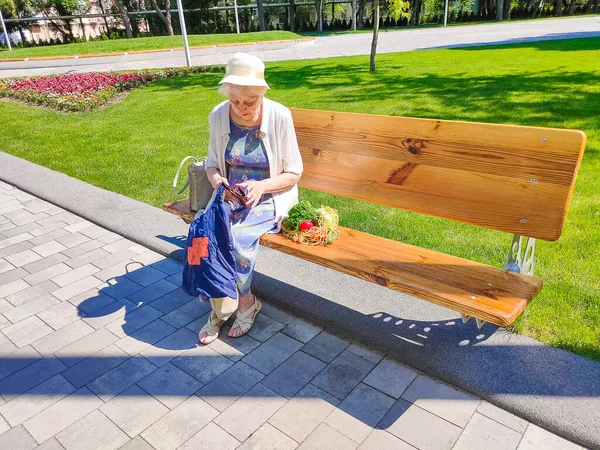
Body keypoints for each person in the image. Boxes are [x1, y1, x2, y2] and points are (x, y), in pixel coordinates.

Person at [200, 52, 303, 345]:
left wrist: (262, 187)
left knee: (235, 237)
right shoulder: (218, 115)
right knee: (204, 238)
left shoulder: (280, 115)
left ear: (262, 94)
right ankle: (221, 304)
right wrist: (219, 181)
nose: (242, 109)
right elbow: (211, 164)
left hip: (271, 196)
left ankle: (244, 302)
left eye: (250, 102)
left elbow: (294, 172)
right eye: (235, 102)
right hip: (230, 196)